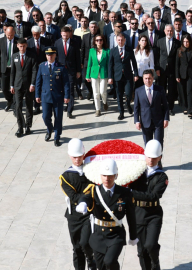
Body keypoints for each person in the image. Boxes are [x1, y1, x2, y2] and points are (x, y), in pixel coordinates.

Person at [76, 159, 138, 270]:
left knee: (109, 261)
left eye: (110, 175)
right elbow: (86, 197)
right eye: (104, 175)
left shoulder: (125, 193)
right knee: (101, 267)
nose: (107, 179)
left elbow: (131, 216)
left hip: (115, 235)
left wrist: (133, 236)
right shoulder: (95, 191)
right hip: (98, 235)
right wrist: (83, 203)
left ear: (116, 175)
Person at [128, 139, 168, 270]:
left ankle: (155, 263)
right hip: (138, 214)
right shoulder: (137, 172)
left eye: (155, 157)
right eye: (149, 156)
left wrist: (131, 192)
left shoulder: (162, 177)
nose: (151, 160)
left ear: (160, 157)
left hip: (153, 215)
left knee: (150, 245)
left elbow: (153, 196)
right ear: (144, 155)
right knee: (141, 251)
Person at [60, 138, 97, 270]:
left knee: (85, 242)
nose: (77, 159)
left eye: (80, 156)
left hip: (89, 214)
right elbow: (73, 196)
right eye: (74, 157)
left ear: (84, 154)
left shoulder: (92, 171)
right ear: (70, 156)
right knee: (77, 248)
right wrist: (89, 194)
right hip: (74, 217)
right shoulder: (66, 177)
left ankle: (91, 260)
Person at [35, 47, 70, 147]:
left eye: (51, 55)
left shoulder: (61, 67)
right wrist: (37, 95)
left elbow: (66, 83)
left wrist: (67, 96)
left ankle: (57, 137)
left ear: (55, 55)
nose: (49, 57)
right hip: (46, 96)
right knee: (45, 116)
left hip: (58, 96)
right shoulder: (42, 66)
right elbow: (38, 82)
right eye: (48, 55)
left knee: (58, 118)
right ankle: (49, 129)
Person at [134, 69, 169, 147]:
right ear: (143, 79)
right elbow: (136, 107)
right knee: (148, 145)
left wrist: (166, 119)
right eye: (145, 78)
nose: (148, 80)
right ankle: (150, 159)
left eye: (149, 78)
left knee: (158, 144)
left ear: (153, 78)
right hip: (145, 121)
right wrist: (137, 121)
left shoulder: (160, 90)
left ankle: (159, 159)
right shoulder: (138, 91)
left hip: (158, 122)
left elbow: (165, 106)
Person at [10, 38, 37, 137]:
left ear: (26, 46)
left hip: (28, 85)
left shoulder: (31, 56)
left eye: (24, 46)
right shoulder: (14, 56)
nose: (22, 48)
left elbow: (34, 71)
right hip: (17, 85)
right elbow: (12, 72)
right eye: (20, 46)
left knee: (29, 106)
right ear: (17, 46)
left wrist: (32, 84)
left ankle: (28, 126)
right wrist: (11, 85)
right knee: (18, 106)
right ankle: (20, 127)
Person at [108, 33, 138, 120]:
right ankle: (121, 112)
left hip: (128, 75)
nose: (120, 42)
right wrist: (110, 77)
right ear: (116, 41)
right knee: (119, 95)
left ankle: (128, 104)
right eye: (119, 40)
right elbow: (110, 65)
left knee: (129, 93)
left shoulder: (129, 50)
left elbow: (134, 63)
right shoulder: (113, 51)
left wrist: (135, 74)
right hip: (117, 76)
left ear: (125, 40)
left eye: (122, 40)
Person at [54, 26, 82, 119]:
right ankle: (65, 105)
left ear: (69, 34)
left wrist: (78, 71)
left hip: (71, 70)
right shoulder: (57, 43)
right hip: (60, 70)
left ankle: (70, 109)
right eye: (63, 35)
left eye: (67, 35)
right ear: (61, 34)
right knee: (61, 89)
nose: (65, 37)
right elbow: (56, 57)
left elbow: (78, 58)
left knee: (70, 89)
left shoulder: (74, 43)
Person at [156, 25, 180, 116]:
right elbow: (157, 57)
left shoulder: (177, 42)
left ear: (173, 32)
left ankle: (170, 108)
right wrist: (157, 68)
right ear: (164, 31)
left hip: (172, 70)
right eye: (168, 31)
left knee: (171, 90)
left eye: (171, 31)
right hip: (162, 69)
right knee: (161, 89)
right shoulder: (159, 41)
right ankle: (161, 106)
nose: (169, 32)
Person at [0, 24, 18, 112]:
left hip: (14, 69)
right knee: (4, 88)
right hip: (4, 68)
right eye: (8, 35)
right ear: (5, 33)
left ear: (14, 33)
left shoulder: (17, 41)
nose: (9, 37)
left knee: (14, 87)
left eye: (11, 35)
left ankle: (16, 104)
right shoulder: (1, 41)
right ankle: (9, 100)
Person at [175, 35, 192, 118]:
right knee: (183, 91)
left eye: (187, 41)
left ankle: (191, 110)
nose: (186, 43)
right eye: (184, 42)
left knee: (190, 92)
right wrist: (177, 75)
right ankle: (184, 107)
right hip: (182, 74)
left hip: (191, 75)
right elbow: (177, 65)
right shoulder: (179, 51)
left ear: (190, 42)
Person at [86, 34, 110, 117]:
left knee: (103, 91)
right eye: (97, 40)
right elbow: (89, 63)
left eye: (100, 40)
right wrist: (87, 75)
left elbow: (108, 64)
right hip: (94, 73)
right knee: (96, 93)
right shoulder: (91, 50)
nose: (99, 41)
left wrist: (110, 76)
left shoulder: (107, 51)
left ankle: (104, 102)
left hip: (104, 73)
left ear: (103, 41)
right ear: (94, 42)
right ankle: (98, 109)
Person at [81, 21, 99, 100]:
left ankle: (95, 96)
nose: (93, 28)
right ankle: (90, 91)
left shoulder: (100, 37)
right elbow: (83, 49)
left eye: (95, 27)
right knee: (85, 79)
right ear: (89, 27)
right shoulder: (85, 36)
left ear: (97, 27)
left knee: (95, 80)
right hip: (87, 60)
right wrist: (81, 62)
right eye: (92, 27)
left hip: (97, 61)